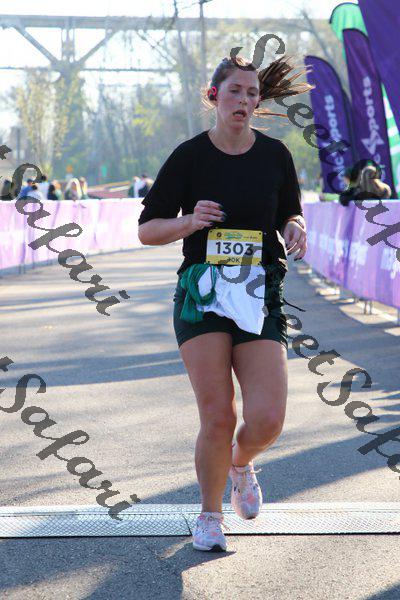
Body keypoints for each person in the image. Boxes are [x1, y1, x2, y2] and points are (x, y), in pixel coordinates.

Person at [138, 53, 309, 553]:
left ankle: (240, 463)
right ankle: (210, 516)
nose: (244, 100)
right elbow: (147, 230)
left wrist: (294, 227)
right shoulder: (189, 156)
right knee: (217, 415)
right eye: (235, 90)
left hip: (257, 294)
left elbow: (290, 212)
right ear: (214, 96)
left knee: (268, 419)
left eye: (252, 93)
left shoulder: (275, 155)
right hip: (202, 294)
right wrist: (189, 222)